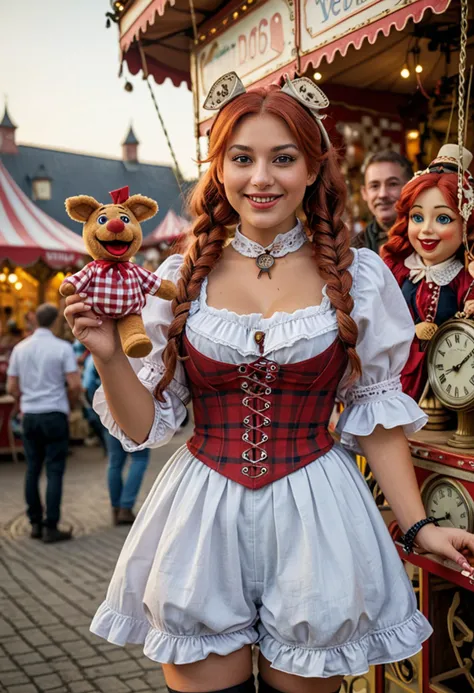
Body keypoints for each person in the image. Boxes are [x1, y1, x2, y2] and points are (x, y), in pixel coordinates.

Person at [65, 73, 474, 693]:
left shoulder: (358, 275)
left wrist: (419, 527)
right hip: (202, 516)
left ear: (312, 169)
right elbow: (147, 427)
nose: (262, 178)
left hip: (318, 514)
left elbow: (376, 415)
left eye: (283, 158)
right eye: (242, 158)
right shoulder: (180, 278)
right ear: (220, 169)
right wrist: (109, 357)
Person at [382, 144, 474, 402]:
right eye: (417, 217)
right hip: (399, 375)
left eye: (443, 219)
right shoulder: (396, 269)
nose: (426, 231)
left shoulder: (463, 278)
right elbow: (379, 321)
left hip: (451, 383)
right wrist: (412, 331)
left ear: (467, 228)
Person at [6, 303, 82, 543]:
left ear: (36, 320)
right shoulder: (62, 348)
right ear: (54, 321)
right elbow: (75, 385)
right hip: (54, 412)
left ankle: (35, 523)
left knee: (32, 469)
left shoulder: (20, 349)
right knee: (55, 470)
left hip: (30, 414)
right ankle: (51, 525)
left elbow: (11, 387)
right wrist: (68, 404)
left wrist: (23, 401)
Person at [352, 150, 413, 253]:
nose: (382, 194)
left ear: (410, 187)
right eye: (374, 186)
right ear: (364, 193)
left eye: (392, 184)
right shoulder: (356, 249)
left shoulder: (425, 238)